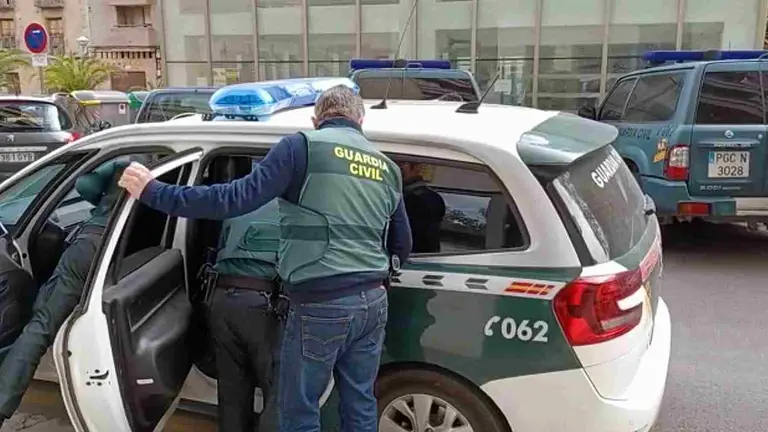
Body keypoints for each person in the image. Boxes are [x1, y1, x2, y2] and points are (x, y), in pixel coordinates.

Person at [118, 85, 412, 432]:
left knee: (298, 411)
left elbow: (233, 199)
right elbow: (402, 244)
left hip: (320, 303)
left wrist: (154, 191)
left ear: (316, 119)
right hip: (373, 303)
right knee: (360, 403)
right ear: (360, 119)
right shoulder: (387, 167)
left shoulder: (301, 148)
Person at [0, 159, 133, 426]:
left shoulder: (129, 162)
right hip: (125, 251)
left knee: (39, 327)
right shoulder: (174, 172)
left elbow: (84, 185)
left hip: (91, 244)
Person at [203, 192, 282, 431]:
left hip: (220, 299)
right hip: (261, 304)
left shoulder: (242, 197)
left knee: (232, 392)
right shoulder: (297, 206)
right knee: (279, 392)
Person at [399, 161, 446, 253]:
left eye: (402, 164)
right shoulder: (433, 197)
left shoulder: (416, 199)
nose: (398, 168)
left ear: (417, 168)